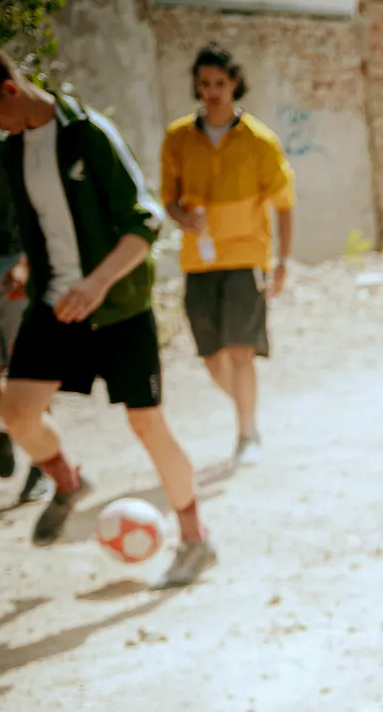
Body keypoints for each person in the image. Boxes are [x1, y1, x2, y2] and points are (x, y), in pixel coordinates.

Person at [0, 40, 214, 588]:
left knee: (146, 423)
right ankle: (67, 481)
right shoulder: (14, 151)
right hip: (55, 303)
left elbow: (145, 221)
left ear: (11, 91)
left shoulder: (89, 134)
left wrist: (97, 282)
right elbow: (49, 224)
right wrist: (29, 267)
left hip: (118, 306)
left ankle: (197, 538)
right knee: (18, 412)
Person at [159, 42, 295, 466]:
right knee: (214, 359)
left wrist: (282, 262)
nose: (212, 92)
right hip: (199, 262)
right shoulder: (178, 138)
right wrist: (183, 217)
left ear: (235, 83)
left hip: (245, 259)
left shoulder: (260, 140)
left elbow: (284, 203)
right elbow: (168, 200)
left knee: (241, 352)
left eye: (220, 83)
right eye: (204, 84)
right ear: (196, 88)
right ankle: (248, 409)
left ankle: (246, 431)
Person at [0, 111, 40, 501]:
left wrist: (26, 262)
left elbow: (34, 212)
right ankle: (8, 428)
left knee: (27, 374)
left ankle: (44, 466)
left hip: (11, 268)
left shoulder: (5, 150)